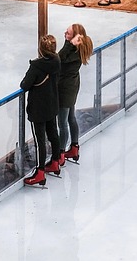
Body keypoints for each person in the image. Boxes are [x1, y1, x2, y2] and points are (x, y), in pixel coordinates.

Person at [20, 34, 62, 186]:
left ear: (41, 49)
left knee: (40, 141)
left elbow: (24, 85)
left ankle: (40, 172)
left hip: (38, 109)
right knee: (53, 134)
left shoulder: (36, 67)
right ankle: (56, 161)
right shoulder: (57, 61)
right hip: (52, 104)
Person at [56, 23, 92, 166]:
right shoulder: (75, 50)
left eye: (69, 33)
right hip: (71, 87)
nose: (65, 32)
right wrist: (70, 43)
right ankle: (74, 147)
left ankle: (60, 154)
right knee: (71, 117)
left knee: (62, 123)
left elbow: (58, 59)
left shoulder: (73, 52)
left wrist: (68, 44)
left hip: (65, 90)